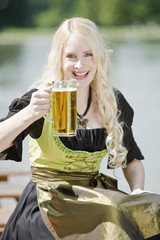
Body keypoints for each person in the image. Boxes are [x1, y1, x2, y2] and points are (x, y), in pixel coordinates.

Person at [0, 17, 159, 240]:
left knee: (153, 216)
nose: (80, 65)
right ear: (59, 59)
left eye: (88, 55)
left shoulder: (111, 102)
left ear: (99, 58)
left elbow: (131, 160)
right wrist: (29, 114)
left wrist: (138, 191)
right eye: (71, 56)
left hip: (93, 199)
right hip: (48, 202)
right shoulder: (41, 99)